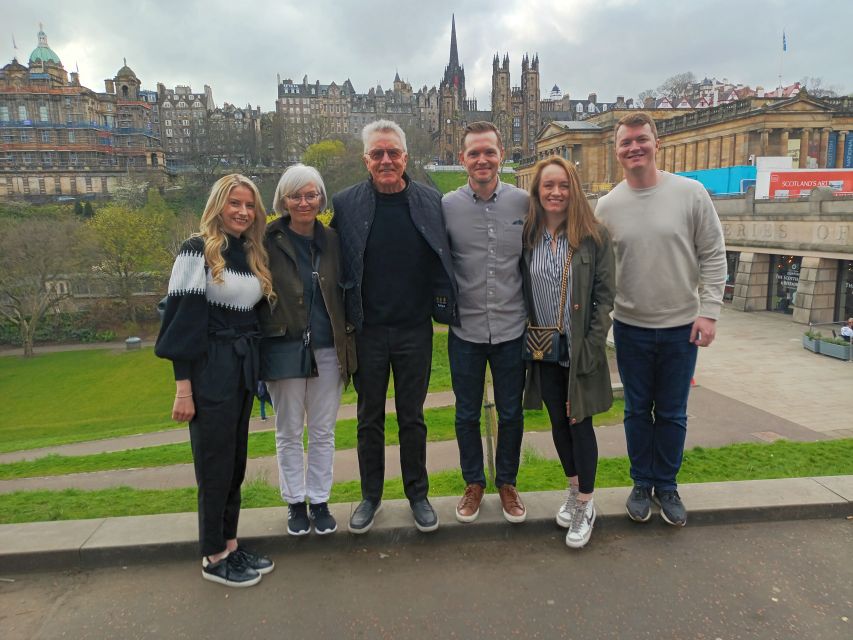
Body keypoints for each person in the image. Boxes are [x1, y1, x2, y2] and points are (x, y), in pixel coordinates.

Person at [596, 112, 726, 527]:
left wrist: (709, 312)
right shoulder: (608, 205)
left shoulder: (690, 193)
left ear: (656, 142)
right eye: (625, 142)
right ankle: (640, 483)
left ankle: (666, 486)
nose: (634, 147)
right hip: (631, 327)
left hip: (680, 327)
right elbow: (601, 270)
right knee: (636, 411)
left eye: (641, 139)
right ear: (616, 151)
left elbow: (713, 254)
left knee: (671, 412)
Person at [331, 120, 458, 534]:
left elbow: (446, 255)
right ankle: (370, 496)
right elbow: (330, 262)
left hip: (413, 330)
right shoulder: (347, 204)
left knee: (412, 417)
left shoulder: (429, 200)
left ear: (405, 157)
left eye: (393, 153)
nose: (386, 160)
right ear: (366, 159)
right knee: (369, 418)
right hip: (367, 330)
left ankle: (417, 494)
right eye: (377, 154)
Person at [155, 174, 276, 587]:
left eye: (249, 205)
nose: (243, 211)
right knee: (214, 464)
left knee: (235, 461)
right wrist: (183, 387)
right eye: (234, 204)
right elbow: (181, 324)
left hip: (242, 367)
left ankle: (230, 543)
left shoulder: (250, 251)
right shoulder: (196, 251)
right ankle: (212, 556)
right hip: (210, 367)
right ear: (218, 206)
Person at [521, 157, 615, 548]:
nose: (556, 192)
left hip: (579, 352)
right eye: (548, 186)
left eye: (563, 185)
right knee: (558, 424)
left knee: (580, 423)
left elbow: (604, 298)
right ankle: (574, 491)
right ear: (537, 192)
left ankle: (588, 504)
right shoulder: (527, 235)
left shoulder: (593, 236)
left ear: (572, 189)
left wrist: (592, 347)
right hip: (543, 351)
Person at [257, 164, 354, 537]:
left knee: (323, 431)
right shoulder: (266, 239)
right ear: (283, 199)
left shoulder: (333, 240)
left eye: (311, 194)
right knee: (288, 430)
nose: (303, 202)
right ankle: (295, 503)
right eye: (295, 195)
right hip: (284, 347)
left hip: (329, 348)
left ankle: (320, 499)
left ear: (321, 199)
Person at [442, 121, 529, 524]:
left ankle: (507, 482)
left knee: (511, 412)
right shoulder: (446, 206)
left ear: (502, 155)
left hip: (512, 329)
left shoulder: (524, 203)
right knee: (465, 413)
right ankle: (474, 482)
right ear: (462, 159)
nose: (482, 159)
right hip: (466, 331)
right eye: (474, 153)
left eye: (489, 152)